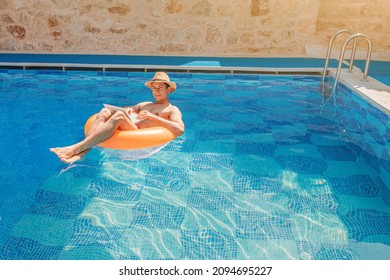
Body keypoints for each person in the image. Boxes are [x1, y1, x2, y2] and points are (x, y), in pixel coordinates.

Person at [50, 72, 185, 163]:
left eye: (160, 87)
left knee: (119, 116)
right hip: (129, 127)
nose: (156, 91)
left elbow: (180, 129)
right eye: (154, 88)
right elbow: (128, 109)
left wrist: (153, 117)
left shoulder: (171, 109)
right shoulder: (145, 104)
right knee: (104, 111)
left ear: (169, 90)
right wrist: (129, 109)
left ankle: (76, 149)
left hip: (137, 135)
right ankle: (81, 152)